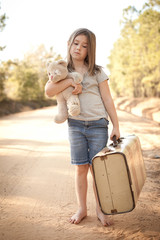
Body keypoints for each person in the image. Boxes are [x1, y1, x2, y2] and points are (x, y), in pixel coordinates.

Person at [45, 28, 120, 226]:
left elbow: (108, 100)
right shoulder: (62, 71)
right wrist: (70, 81)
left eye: (84, 46)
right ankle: (82, 209)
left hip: (98, 125)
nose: (79, 48)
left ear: (90, 50)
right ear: (69, 44)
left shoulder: (97, 71)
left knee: (97, 170)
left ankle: (100, 210)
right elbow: (49, 90)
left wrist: (116, 126)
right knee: (80, 168)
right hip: (76, 126)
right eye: (76, 43)